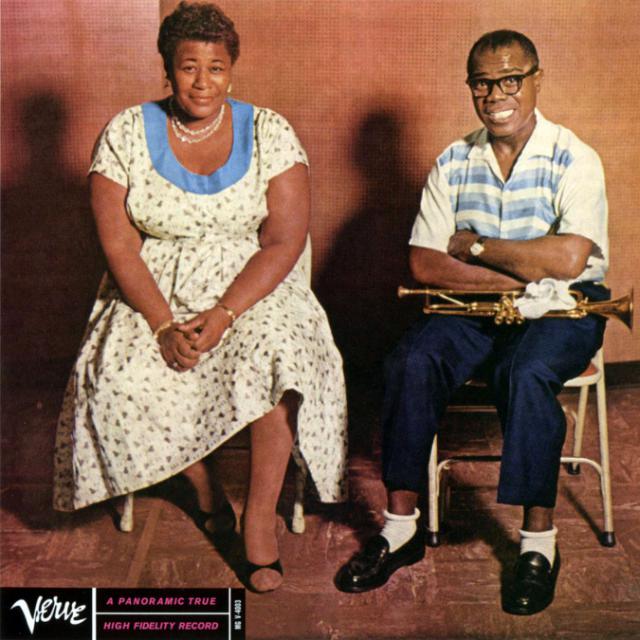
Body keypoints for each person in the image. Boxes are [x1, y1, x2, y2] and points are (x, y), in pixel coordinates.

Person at [53, 1, 347, 593]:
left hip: (254, 286)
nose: (202, 82)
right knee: (115, 374)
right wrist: (163, 324)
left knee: (279, 356)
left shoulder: (269, 131)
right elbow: (119, 246)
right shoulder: (124, 133)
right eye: (189, 67)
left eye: (216, 68)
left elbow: (284, 240)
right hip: (153, 289)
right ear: (167, 69)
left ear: (231, 71)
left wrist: (225, 313)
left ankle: (256, 520)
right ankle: (205, 490)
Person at [335, 30, 608, 615]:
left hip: (567, 304)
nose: (496, 95)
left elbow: (569, 260)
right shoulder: (453, 160)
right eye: (483, 83)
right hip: (482, 303)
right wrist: (519, 279)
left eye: (510, 80)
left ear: (536, 80)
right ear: (471, 89)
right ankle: (401, 530)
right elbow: (424, 262)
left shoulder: (574, 156)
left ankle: (538, 545)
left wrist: (476, 246)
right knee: (411, 361)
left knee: (525, 371)